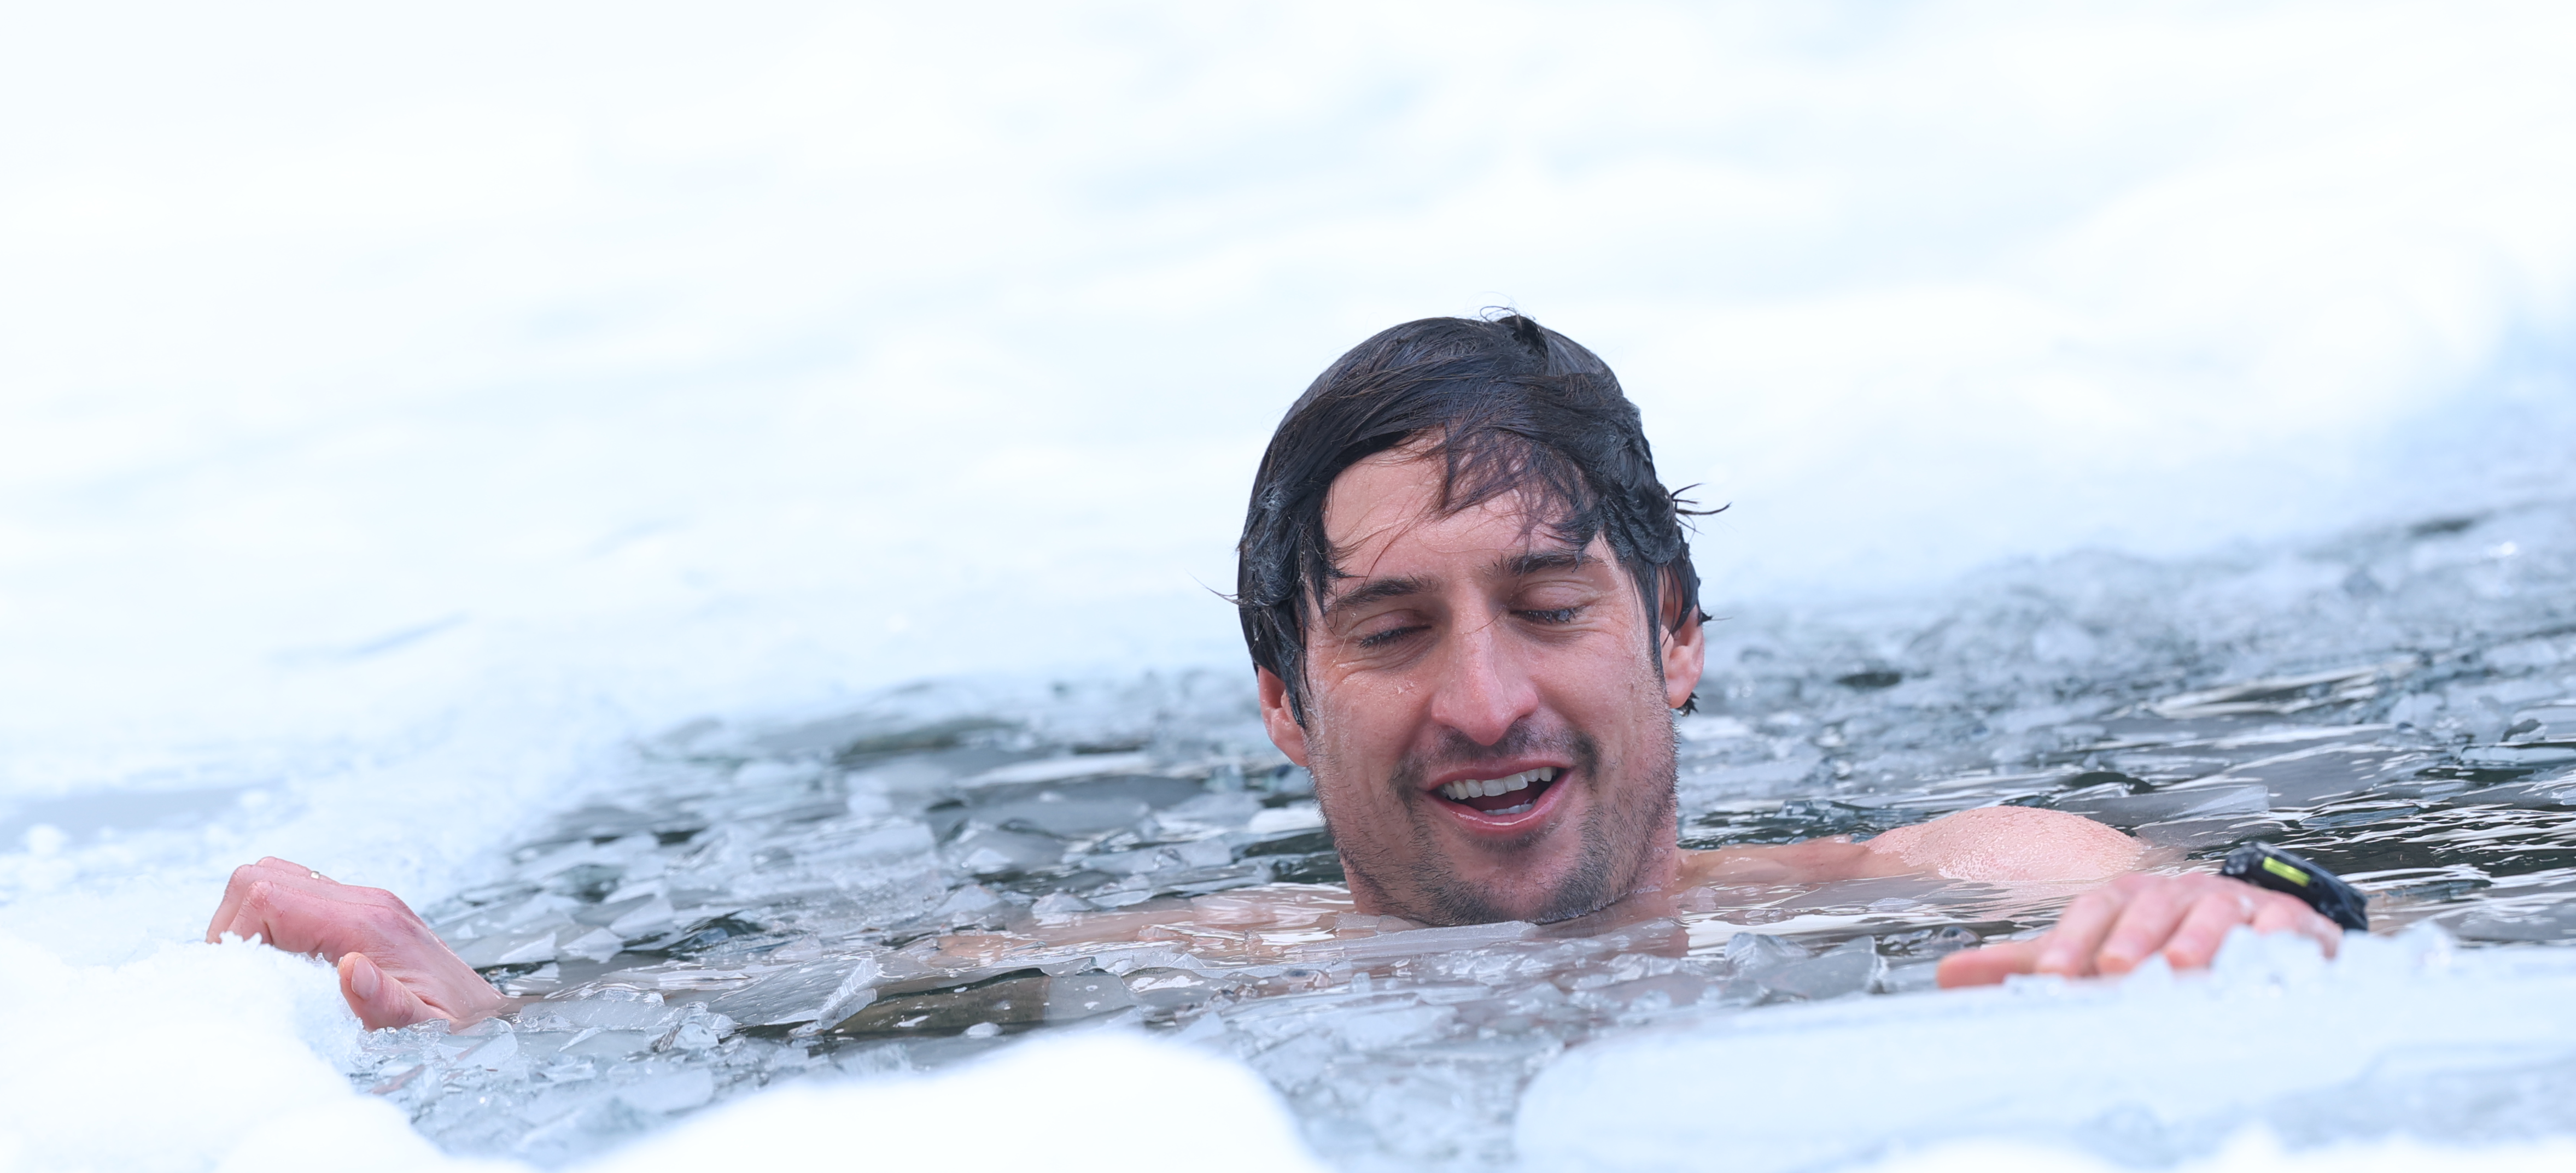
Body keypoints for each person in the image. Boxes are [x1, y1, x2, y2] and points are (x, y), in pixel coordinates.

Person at [208, 314, 2340, 1029]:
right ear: (1283, 702)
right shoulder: (1185, 969)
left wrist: (2247, 915)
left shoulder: (1943, 875)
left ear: (1677, 635)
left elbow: (2241, 906)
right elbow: (731, 1021)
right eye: (1392, 630)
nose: (1485, 699)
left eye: (1548, 604)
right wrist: (476, 1019)